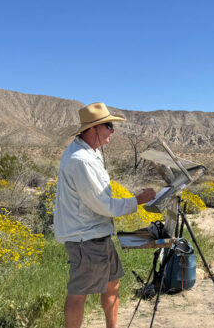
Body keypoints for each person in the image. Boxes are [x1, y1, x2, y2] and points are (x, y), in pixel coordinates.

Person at [54, 102, 156, 328]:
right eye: (109, 126)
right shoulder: (80, 160)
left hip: (97, 233)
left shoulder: (90, 153)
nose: (113, 131)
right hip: (85, 237)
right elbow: (103, 205)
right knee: (78, 292)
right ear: (92, 129)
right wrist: (137, 200)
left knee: (112, 284)